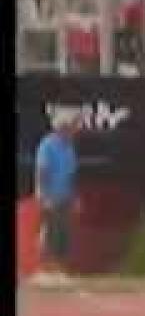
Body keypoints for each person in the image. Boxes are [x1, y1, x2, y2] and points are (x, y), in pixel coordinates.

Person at [34, 107, 83, 283]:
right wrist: (43, 194)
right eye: (73, 126)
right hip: (50, 196)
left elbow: (71, 174)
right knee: (50, 233)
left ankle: (59, 272)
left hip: (65, 196)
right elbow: (42, 170)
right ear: (63, 127)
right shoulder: (48, 144)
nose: (75, 130)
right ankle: (44, 271)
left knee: (63, 234)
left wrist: (75, 197)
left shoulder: (69, 147)